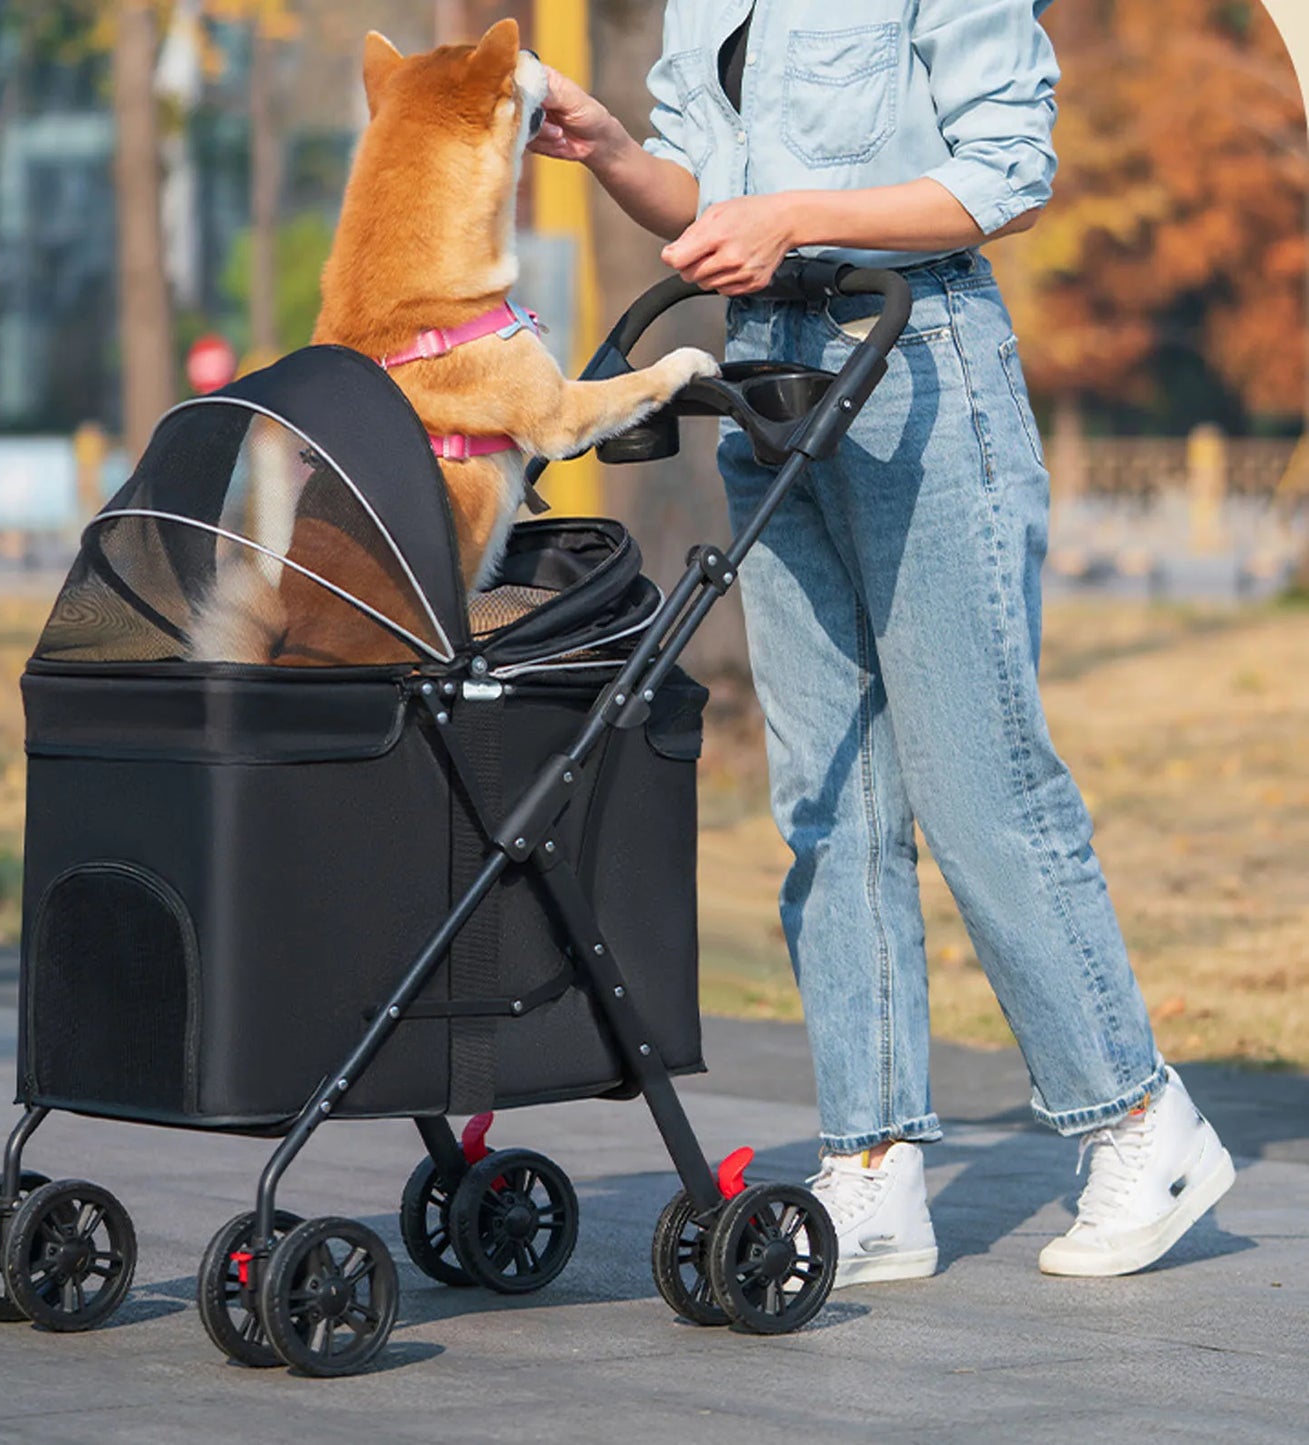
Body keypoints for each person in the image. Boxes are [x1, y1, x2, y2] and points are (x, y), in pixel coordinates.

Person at [529, 0, 1235, 1283]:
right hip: (767, 376)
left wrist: (793, 216)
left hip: (916, 362)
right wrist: (613, 149)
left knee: (981, 786)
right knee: (827, 798)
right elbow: (705, 202)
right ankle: (871, 1165)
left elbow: (1007, 178)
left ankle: (1141, 1121)